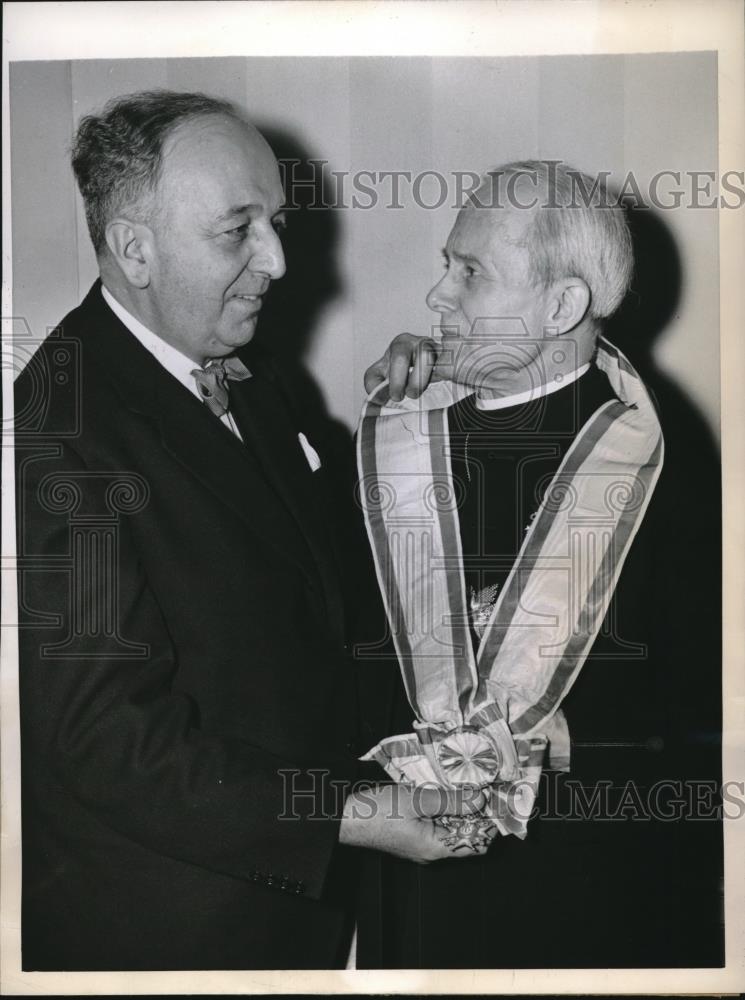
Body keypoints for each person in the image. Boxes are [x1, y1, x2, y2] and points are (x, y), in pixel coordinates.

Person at [13, 90, 482, 973]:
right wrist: (346, 812)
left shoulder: (248, 378)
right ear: (134, 249)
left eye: (274, 221)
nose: (276, 259)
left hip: (294, 917)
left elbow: (320, 592)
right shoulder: (51, 428)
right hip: (171, 938)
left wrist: (410, 426)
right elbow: (106, 741)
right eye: (237, 231)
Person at [355, 161, 723, 968]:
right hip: (414, 888)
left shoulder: (665, 466)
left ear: (560, 305)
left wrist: (575, 734)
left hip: (587, 893)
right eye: (446, 266)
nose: (435, 297)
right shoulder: (404, 445)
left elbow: (710, 706)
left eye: (470, 272)